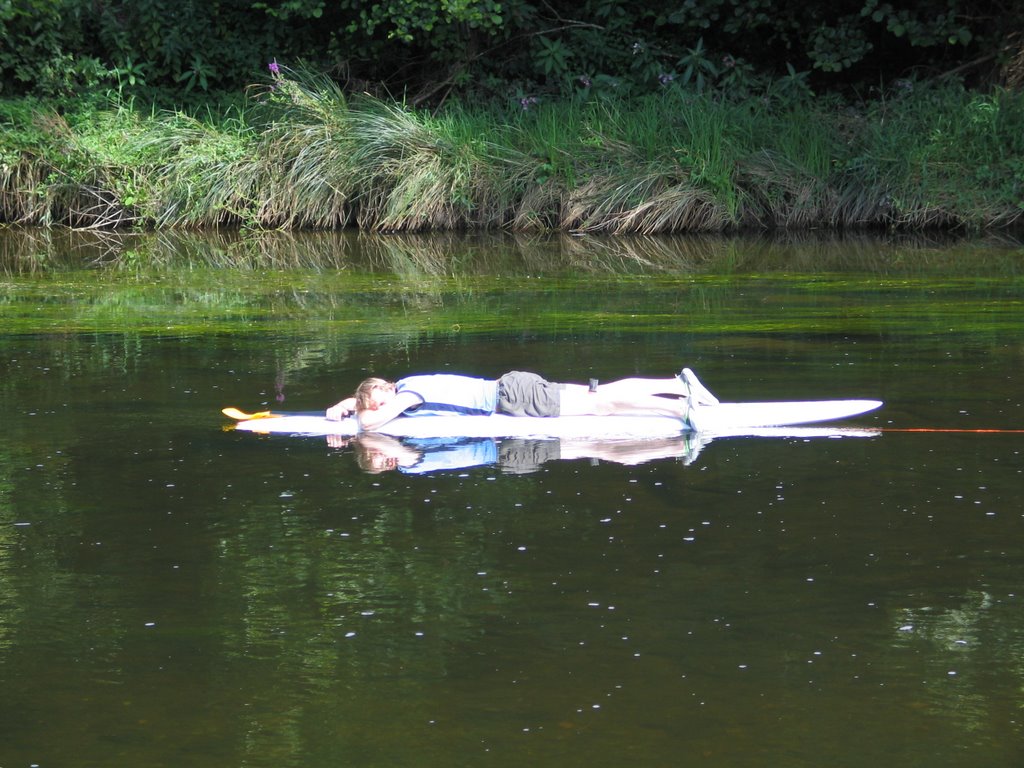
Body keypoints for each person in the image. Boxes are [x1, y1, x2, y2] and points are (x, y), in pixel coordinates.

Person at [325, 368, 719, 431]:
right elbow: (368, 409)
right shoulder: (407, 382)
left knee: (604, 403)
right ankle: (679, 384)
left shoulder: (408, 394)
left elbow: (370, 424)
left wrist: (355, 413)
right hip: (515, 387)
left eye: (378, 399)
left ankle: (678, 407)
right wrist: (346, 403)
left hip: (513, 396)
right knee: (603, 393)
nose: (381, 406)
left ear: (386, 392)